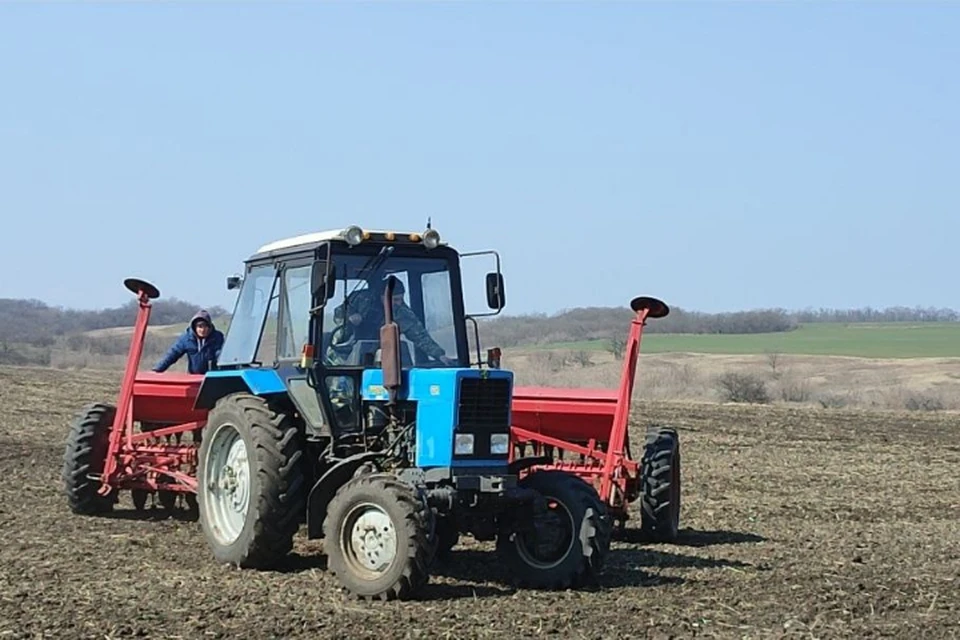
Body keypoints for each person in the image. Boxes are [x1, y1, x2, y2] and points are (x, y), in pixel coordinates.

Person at [327, 275, 455, 366]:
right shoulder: (361, 298)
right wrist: (350, 316)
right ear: (382, 296)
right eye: (395, 299)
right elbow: (339, 313)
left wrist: (439, 355)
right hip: (343, 350)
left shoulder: (401, 311)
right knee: (341, 386)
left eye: (401, 299)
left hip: (378, 354)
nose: (399, 303)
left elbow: (419, 334)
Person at [153, 310, 225, 374]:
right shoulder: (186, 338)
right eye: (200, 326)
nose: (203, 330)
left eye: (206, 326)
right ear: (195, 327)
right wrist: (157, 370)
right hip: (193, 377)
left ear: (210, 327)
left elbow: (222, 356)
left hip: (211, 377)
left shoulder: (217, 337)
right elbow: (172, 354)